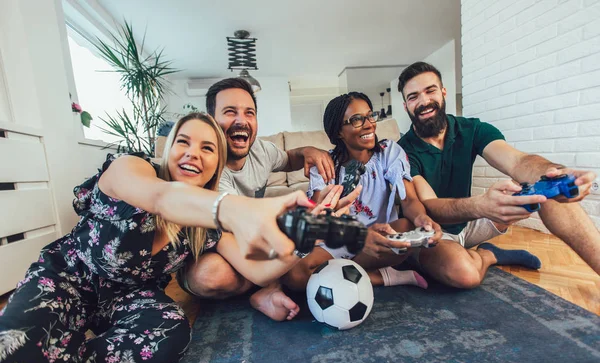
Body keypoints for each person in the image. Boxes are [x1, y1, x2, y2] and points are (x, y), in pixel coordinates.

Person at [0, 112, 314, 363]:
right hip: (68, 278)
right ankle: (41, 350)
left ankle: (51, 355)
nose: (193, 152)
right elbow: (162, 197)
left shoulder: (205, 226)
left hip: (130, 298)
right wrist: (234, 209)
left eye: (207, 148)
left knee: (172, 334)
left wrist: (307, 235)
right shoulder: (131, 167)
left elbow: (258, 271)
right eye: (183, 142)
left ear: (217, 164)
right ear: (169, 148)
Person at [396, 61, 600, 288]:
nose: (424, 101)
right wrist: (480, 205)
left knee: (547, 186)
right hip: (434, 233)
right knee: (464, 275)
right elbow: (429, 206)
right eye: (413, 97)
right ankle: (489, 255)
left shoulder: (472, 129)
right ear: (406, 106)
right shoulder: (401, 151)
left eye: (430, 90)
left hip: (471, 223)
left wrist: (557, 173)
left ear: (443, 93)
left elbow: (519, 161)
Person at [177, 78, 360, 318]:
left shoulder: (261, 151)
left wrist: (308, 151)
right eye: (230, 112)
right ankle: (269, 287)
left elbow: (289, 158)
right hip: (213, 247)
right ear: (211, 121)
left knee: (288, 259)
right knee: (210, 274)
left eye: (249, 112)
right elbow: (248, 224)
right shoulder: (209, 170)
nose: (241, 120)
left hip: (250, 243)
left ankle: (267, 287)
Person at [282, 92, 443, 293]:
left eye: (369, 116)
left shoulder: (388, 152)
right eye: (357, 120)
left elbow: (409, 199)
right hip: (339, 239)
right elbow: (317, 222)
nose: (369, 125)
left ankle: (341, 275)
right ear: (339, 131)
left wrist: (422, 218)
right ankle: (378, 276)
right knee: (294, 276)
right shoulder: (324, 165)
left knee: (407, 227)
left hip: (381, 235)